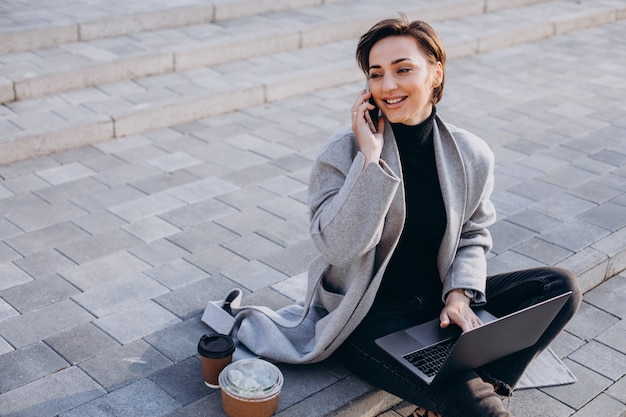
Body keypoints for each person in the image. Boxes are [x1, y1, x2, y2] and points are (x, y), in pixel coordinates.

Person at [202, 15, 582, 417]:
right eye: (376, 74)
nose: (387, 86)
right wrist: (371, 162)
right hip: (368, 320)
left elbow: (472, 232)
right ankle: (467, 392)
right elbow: (338, 247)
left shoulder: (471, 154)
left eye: (403, 70)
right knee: (480, 409)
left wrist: (457, 294)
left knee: (558, 287)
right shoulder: (344, 152)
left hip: (437, 306)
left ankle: (480, 382)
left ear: (436, 73)